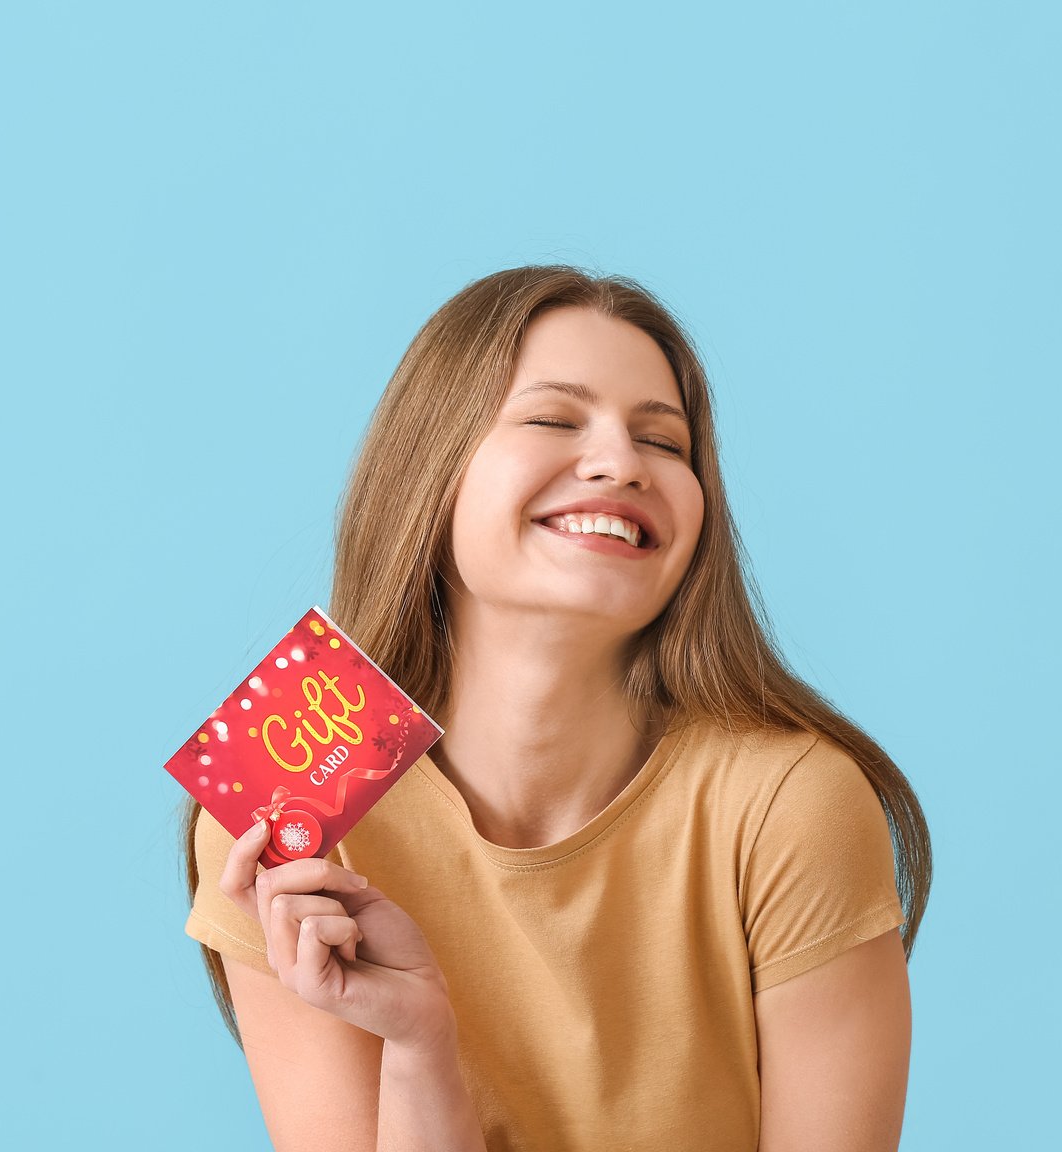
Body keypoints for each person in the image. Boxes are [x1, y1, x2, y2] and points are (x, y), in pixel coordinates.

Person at [180, 265, 933, 1151]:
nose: (621, 463)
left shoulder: (790, 803)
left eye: (666, 441)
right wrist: (420, 1045)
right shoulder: (282, 807)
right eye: (552, 418)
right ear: (431, 469)